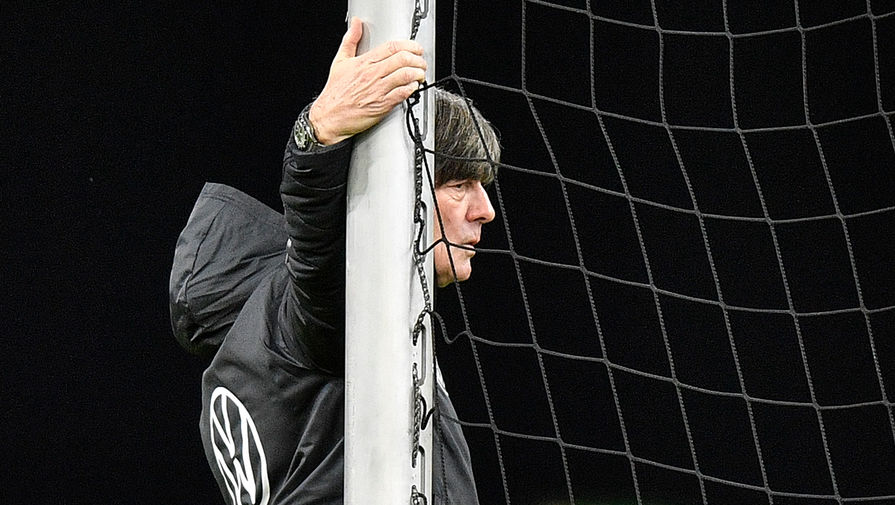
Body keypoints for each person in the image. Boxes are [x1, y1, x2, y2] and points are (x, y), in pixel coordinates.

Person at [168, 17, 501, 505]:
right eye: (458, 185)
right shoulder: (297, 319)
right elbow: (318, 269)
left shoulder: (260, 344)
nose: (485, 209)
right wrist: (317, 136)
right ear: (397, 189)